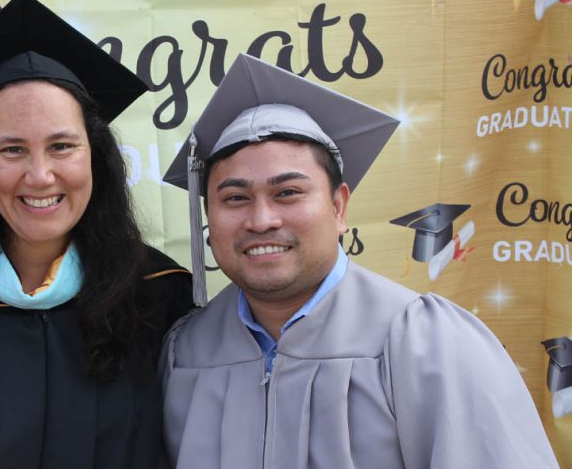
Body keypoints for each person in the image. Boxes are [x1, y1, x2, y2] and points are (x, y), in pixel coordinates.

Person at [159, 53, 558, 468]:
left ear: (339, 206)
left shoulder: (424, 342)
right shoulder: (185, 352)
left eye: (288, 193)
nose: (262, 220)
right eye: (236, 198)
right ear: (209, 217)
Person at [0, 0, 194, 469]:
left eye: (62, 146)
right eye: (12, 149)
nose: (40, 176)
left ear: (94, 155)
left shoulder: (161, 297)